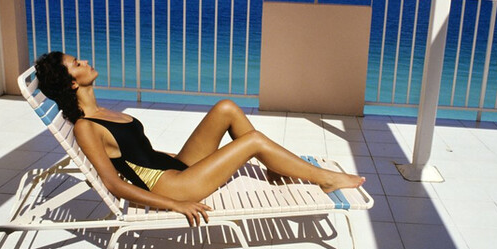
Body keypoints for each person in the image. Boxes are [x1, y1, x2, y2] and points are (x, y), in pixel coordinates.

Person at [34, 51, 366, 227]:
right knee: (253, 141)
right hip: (174, 187)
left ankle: (278, 169)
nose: (86, 61)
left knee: (226, 108)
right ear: (71, 83)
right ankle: (325, 179)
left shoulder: (102, 110)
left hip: (175, 168)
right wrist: (176, 204)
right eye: (77, 63)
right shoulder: (85, 126)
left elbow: (137, 154)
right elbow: (113, 183)